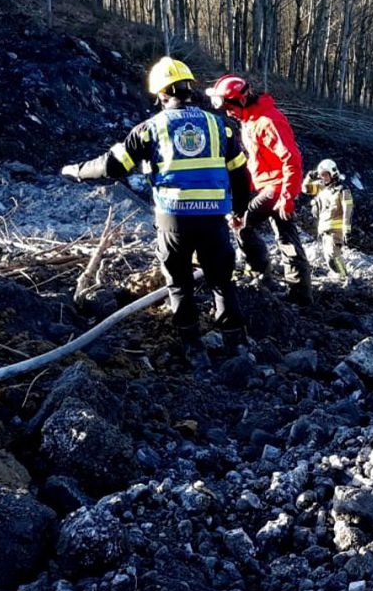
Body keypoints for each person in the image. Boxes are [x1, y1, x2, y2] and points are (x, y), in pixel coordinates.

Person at [60, 57, 251, 362]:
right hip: (214, 219)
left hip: (174, 220)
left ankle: (193, 349)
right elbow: (241, 176)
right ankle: (237, 348)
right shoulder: (221, 127)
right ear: (190, 90)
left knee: (179, 283)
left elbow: (112, 166)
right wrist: (239, 212)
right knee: (222, 282)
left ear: (161, 94)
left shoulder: (150, 129)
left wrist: (77, 170)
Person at [206, 74, 313, 305]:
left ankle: (261, 274)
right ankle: (300, 293)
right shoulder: (250, 121)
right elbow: (260, 160)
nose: (228, 112)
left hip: (277, 188)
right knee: (287, 237)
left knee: (242, 223)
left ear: (241, 100)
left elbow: (291, 159)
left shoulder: (267, 121)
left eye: (229, 107)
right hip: (271, 186)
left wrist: (287, 197)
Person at [303, 158, 354, 284]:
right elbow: (305, 189)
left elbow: (348, 210)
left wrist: (346, 230)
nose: (323, 178)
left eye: (325, 174)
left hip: (336, 229)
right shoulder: (321, 187)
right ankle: (340, 276)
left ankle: (343, 276)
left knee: (333, 256)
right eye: (321, 175)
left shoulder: (342, 190)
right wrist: (310, 176)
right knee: (328, 256)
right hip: (324, 228)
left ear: (333, 173)